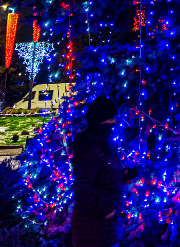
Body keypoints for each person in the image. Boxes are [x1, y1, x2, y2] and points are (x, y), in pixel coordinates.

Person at [71, 95, 125, 247]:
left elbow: (103, 174)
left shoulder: (103, 144)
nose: (114, 122)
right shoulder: (88, 147)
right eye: (110, 119)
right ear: (100, 121)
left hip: (105, 229)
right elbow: (83, 190)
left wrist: (123, 176)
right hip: (92, 230)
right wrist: (108, 209)